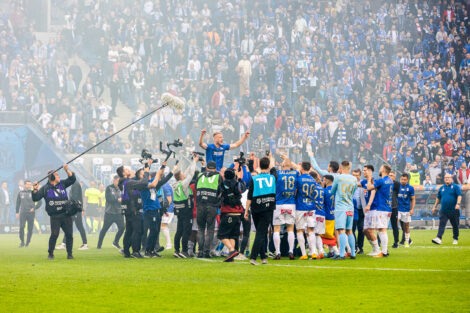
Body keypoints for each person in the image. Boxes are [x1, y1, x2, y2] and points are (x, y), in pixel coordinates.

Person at [32, 164, 76, 260]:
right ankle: (50, 254)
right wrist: (35, 189)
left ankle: (70, 254)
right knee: (54, 235)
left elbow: (72, 179)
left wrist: (67, 170)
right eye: (56, 175)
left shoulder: (62, 184)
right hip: (55, 216)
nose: (59, 176)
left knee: (69, 235)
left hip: (66, 214)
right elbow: (35, 198)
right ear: (51, 177)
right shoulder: (45, 188)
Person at [117, 160, 152, 258]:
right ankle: (135, 251)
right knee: (138, 230)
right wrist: (146, 171)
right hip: (133, 209)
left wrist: (146, 166)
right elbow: (144, 182)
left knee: (129, 231)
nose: (129, 170)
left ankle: (126, 251)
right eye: (127, 169)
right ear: (124, 173)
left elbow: (137, 179)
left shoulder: (123, 182)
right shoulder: (129, 182)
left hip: (127, 209)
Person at [245, 156, 275, 265]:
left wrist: (246, 211)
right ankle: (253, 257)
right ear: (268, 166)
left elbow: (249, 196)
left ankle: (263, 257)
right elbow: (274, 169)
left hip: (255, 208)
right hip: (267, 208)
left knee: (260, 232)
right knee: (261, 233)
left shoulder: (254, 178)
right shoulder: (272, 177)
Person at [140, 163, 175, 258]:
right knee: (153, 231)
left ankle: (152, 250)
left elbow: (162, 179)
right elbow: (156, 180)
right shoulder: (144, 185)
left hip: (156, 211)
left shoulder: (152, 184)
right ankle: (148, 250)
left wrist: (164, 167)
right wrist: (159, 172)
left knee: (156, 231)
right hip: (150, 211)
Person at [272, 156, 298, 260]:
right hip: (291, 204)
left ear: (282, 166)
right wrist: (289, 160)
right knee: (290, 229)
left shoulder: (278, 173)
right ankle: (291, 251)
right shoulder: (295, 173)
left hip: (279, 204)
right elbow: (298, 168)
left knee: (277, 229)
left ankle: (278, 252)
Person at [218, 166, 246, 262]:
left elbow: (219, 196)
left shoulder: (222, 185)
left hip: (227, 212)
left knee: (221, 235)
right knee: (233, 235)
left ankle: (231, 250)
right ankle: (231, 256)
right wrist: (239, 179)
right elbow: (243, 189)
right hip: (238, 213)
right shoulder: (237, 183)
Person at [365, 164, 393, 258]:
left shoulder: (381, 181)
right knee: (382, 229)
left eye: (381, 168)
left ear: (384, 170)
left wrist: (369, 179)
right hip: (388, 207)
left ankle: (384, 252)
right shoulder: (390, 181)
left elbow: (369, 188)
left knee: (382, 230)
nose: (379, 169)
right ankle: (384, 251)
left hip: (382, 208)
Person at [331, 161, 357, 260]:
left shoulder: (338, 177)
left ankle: (342, 255)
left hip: (340, 207)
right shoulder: (354, 179)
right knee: (349, 231)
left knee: (341, 230)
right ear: (349, 168)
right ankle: (353, 254)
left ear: (341, 167)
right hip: (350, 206)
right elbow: (354, 191)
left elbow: (332, 191)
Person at [172, 155, 198, 258]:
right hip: (187, 210)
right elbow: (190, 174)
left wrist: (191, 162)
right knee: (186, 231)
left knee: (179, 230)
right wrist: (195, 162)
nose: (184, 174)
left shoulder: (175, 184)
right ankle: (184, 251)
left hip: (179, 210)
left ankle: (176, 250)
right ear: (181, 177)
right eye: (183, 174)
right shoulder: (183, 184)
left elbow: (187, 172)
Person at [196, 161, 223, 258]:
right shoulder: (218, 176)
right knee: (210, 229)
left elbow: (196, 187)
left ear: (207, 168)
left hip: (200, 205)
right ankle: (206, 252)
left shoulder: (199, 175)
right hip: (212, 205)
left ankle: (199, 251)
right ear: (215, 168)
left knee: (200, 229)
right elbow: (221, 190)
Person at [57, 180, 88, 250]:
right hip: (75, 209)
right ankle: (84, 244)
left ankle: (64, 244)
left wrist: (70, 206)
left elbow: (75, 198)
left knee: (73, 226)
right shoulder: (74, 184)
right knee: (75, 227)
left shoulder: (75, 184)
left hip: (75, 210)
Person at [432, 174, 462, 245]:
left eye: (448, 178)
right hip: (444, 211)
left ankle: (455, 238)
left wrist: (458, 204)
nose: (446, 179)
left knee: (455, 225)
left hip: (454, 210)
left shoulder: (455, 187)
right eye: (445, 178)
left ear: (451, 178)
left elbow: (459, 196)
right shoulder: (442, 187)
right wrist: (434, 207)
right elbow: (438, 198)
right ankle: (438, 238)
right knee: (441, 225)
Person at [97, 176, 125, 249]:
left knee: (122, 228)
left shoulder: (121, 189)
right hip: (109, 213)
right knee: (104, 229)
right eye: (118, 181)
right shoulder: (109, 188)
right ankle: (99, 245)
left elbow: (124, 199)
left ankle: (115, 242)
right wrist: (117, 200)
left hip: (119, 212)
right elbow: (108, 199)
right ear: (114, 181)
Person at [361, 165, 380, 256]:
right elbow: (356, 184)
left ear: (369, 171)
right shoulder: (365, 181)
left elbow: (373, 192)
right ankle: (374, 248)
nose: (363, 172)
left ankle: (377, 249)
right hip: (368, 210)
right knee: (365, 230)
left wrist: (368, 205)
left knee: (370, 230)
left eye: (365, 170)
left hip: (373, 208)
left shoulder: (373, 181)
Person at [15, 180, 41, 247]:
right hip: (23, 213)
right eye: (28, 184)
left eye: (30, 184)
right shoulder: (20, 193)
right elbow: (18, 203)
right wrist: (17, 212)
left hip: (31, 213)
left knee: (30, 229)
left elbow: (40, 202)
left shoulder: (34, 192)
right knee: (22, 227)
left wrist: (34, 208)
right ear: (24, 185)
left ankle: (28, 242)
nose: (29, 185)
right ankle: (22, 242)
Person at [397, 174, 416, 248]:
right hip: (398, 209)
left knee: (406, 226)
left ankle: (407, 241)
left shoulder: (410, 188)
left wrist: (412, 209)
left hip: (406, 210)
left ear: (407, 180)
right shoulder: (397, 186)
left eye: (404, 179)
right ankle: (396, 241)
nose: (403, 181)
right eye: (402, 179)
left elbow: (413, 199)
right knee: (395, 224)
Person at [352, 169, 366, 254]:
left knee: (361, 229)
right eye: (353, 174)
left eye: (357, 175)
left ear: (360, 175)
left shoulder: (363, 184)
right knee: (352, 229)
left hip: (361, 210)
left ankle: (360, 247)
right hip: (353, 209)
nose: (355, 176)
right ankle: (354, 247)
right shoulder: (350, 183)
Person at [161, 182, 174, 251]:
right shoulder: (166, 184)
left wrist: (165, 210)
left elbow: (169, 199)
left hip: (168, 210)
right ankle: (168, 244)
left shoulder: (165, 186)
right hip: (167, 209)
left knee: (163, 226)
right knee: (163, 226)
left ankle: (169, 244)